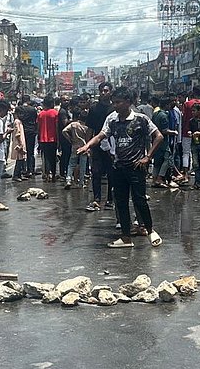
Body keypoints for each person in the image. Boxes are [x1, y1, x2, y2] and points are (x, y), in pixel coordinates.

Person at [79, 87, 162, 248]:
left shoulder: (141, 119)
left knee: (140, 200)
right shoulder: (112, 120)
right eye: (114, 102)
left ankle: (150, 230)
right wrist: (87, 145)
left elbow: (158, 136)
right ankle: (125, 237)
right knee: (121, 202)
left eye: (118, 102)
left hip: (136, 167)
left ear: (128, 102)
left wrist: (148, 157)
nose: (115, 105)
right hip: (118, 167)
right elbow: (100, 135)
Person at [62, 109, 91, 188]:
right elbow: (89, 138)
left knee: (71, 164)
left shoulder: (74, 124)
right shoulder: (88, 127)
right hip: (84, 147)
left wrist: (70, 139)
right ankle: (81, 183)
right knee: (83, 165)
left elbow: (64, 131)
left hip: (74, 146)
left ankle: (68, 180)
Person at [15, 95, 38, 180]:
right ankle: (31, 169)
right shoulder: (33, 109)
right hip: (31, 131)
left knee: (21, 151)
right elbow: (36, 120)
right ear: (29, 101)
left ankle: (22, 169)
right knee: (30, 152)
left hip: (22, 131)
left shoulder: (18, 109)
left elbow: (16, 119)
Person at [37, 96, 60, 181]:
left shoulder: (41, 114)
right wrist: (58, 139)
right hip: (52, 138)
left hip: (43, 139)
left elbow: (38, 127)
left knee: (45, 157)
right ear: (52, 103)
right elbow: (57, 127)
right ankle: (53, 174)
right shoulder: (55, 113)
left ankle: (46, 174)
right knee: (53, 157)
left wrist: (39, 138)